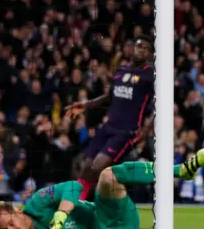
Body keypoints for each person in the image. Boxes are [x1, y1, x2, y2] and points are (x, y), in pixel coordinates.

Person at [0, 148, 204, 229]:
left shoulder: (38, 202)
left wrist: (60, 218)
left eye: (11, 223)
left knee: (108, 175)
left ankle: (180, 170)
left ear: (17, 211)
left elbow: (74, 186)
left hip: (109, 215)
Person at [65, 34, 156, 201]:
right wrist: (85, 105)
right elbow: (108, 97)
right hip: (108, 127)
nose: (141, 50)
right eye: (139, 46)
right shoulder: (120, 70)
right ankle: (78, 203)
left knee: (98, 165)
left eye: (146, 48)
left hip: (127, 131)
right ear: (132, 49)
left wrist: (147, 128)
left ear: (150, 54)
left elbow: (159, 105)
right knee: (86, 166)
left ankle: (85, 203)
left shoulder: (151, 76)